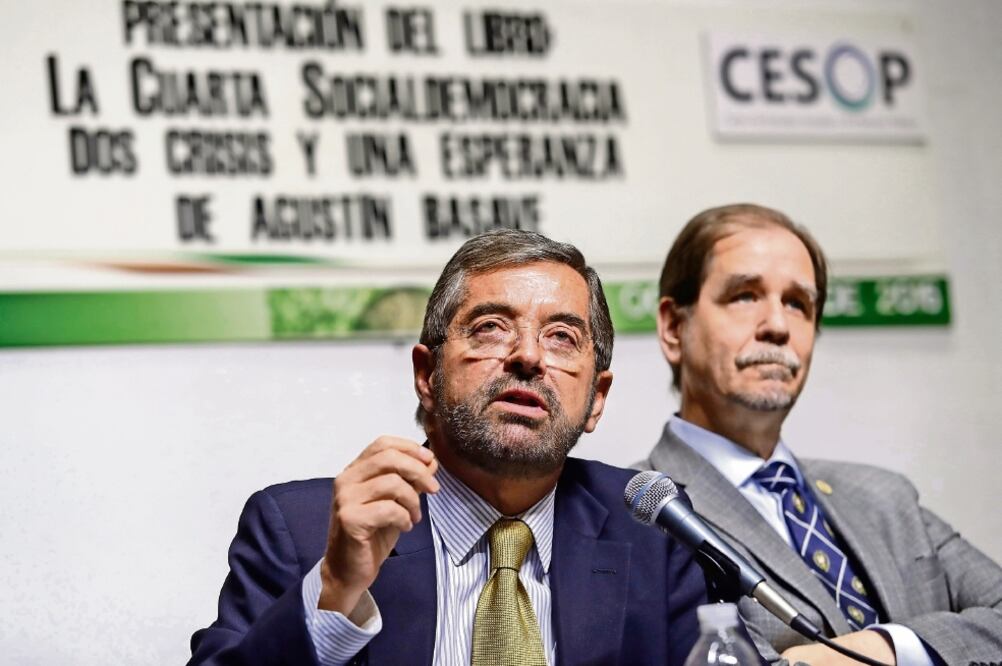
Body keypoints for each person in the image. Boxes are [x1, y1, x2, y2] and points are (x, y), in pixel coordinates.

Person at [189, 229, 712, 666]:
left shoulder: (651, 529)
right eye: (490, 328)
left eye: (561, 337)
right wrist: (335, 587)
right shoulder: (302, 530)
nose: (528, 355)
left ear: (596, 399)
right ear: (426, 375)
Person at [636, 203, 1002, 664]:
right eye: (745, 296)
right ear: (673, 327)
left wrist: (885, 647)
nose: (778, 326)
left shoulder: (886, 496)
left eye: (798, 303)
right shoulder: (640, 512)